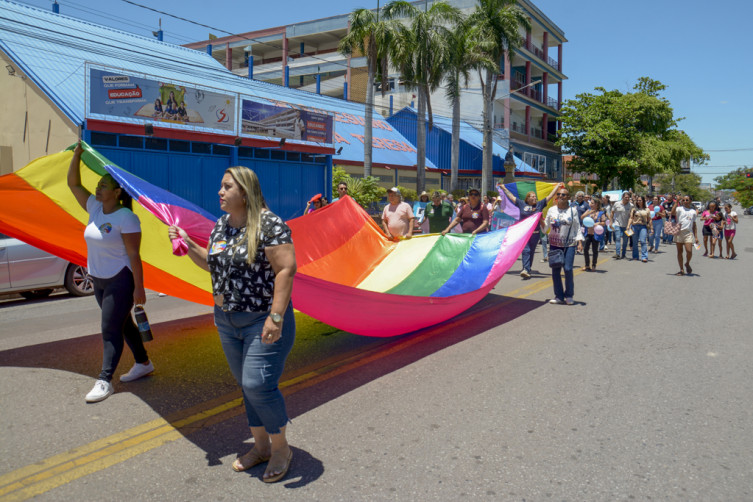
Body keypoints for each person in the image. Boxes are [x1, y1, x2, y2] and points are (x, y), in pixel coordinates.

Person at [168, 166, 296, 482]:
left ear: (245, 192)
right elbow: (213, 265)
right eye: (221, 186)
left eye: (227, 187)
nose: (220, 192)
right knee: (247, 387)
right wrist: (188, 243)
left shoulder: (270, 224)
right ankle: (261, 447)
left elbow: (286, 269)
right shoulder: (222, 225)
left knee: (257, 385)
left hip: (261, 320)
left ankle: (281, 449)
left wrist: (276, 317)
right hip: (226, 320)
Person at [67, 142, 154, 403]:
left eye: (104, 185)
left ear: (117, 192)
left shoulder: (126, 217)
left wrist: (139, 287)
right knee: (123, 323)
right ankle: (143, 363)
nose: (98, 188)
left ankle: (105, 380)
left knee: (109, 328)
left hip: (120, 279)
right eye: (99, 184)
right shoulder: (94, 207)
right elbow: (73, 184)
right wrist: (77, 155)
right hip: (98, 279)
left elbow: (134, 255)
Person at [498, 182, 561, 278]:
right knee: (526, 250)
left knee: (531, 252)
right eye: (532, 196)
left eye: (535, 196)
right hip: (524, 233)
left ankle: (527, 268)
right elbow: (511, 197)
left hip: (535, 234)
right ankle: (525, 269)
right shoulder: (521, 204)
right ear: (527, 198)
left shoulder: (539, 204)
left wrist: (557, 187)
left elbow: (550, 196)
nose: (535, 198)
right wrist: (503, 188)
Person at [543, 187, 584, 305]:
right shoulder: (551, 210)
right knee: (555, 270)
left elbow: (577, 227)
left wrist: (579, 242)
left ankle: (569, 295)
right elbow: (545, 228)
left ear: (568, 198)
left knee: (568, 269)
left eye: (563, 195)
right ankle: (559, 296)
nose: (560, 196)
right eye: (559, 194)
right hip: (554, 244)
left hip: (569, 244)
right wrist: (539, 220)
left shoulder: (573, 211)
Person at [672, 195, 698, 276]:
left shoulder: (693, 212)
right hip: (679, 232)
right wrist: (676, 201)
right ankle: (681, 269)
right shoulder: (679, 209)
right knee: (680, 251)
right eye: (683, 200)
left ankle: (687, 263)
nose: (685, 201)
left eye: (687, 200)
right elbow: (672, 213)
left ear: (690, 201)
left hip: (688, 233)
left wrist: (696, 237)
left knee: (689, 251)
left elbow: (694, 225)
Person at [580, 197, 605, 271]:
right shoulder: (588, 210)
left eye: (592, 203)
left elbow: (604, 222)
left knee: (595, 250)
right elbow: (581, 217)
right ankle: (587, 265)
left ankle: (594, 265)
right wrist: (588, 213)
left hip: (595, 234)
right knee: (585, 249)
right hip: (588, 233)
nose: (590, 204)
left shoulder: (601, 212)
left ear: (596, 204)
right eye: (590, 203)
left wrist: (598, 223)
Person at [628, 195, 651, 262]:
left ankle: (644, 257)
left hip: (643, 226)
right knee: (635, 242)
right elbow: (631, 218)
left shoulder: (647, 209)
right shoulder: (634, 209)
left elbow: (649, 219)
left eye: (640, 200)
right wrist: (628, 225)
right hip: (634, 226)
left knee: (643, 241)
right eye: (637, 200)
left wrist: (651, 228)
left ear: (643, 201)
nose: (638, 202)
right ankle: (635, 256)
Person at [611, 192, 634, 259]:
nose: (627, 199)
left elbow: (631, 216)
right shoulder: (616, 204)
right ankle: (618, 253)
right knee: (618, 238)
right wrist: (611, 222)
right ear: (622, 197)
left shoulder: (631, 205)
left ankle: (623, 254)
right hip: (617, 223)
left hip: (627, 225)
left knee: (625, 240)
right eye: (626, 197)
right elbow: (612, 213)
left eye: (628, 197)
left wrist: (629, 225)